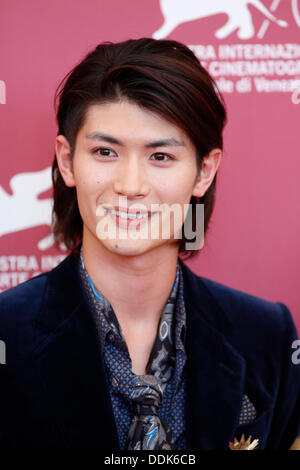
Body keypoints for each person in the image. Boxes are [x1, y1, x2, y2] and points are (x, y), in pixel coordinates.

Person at [0, 38, 299, 451]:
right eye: (105, 152)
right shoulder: (5, 334)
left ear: (204, 171)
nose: (130, 187)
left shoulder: (266, 336)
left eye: (160, 157)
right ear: (67, 161)